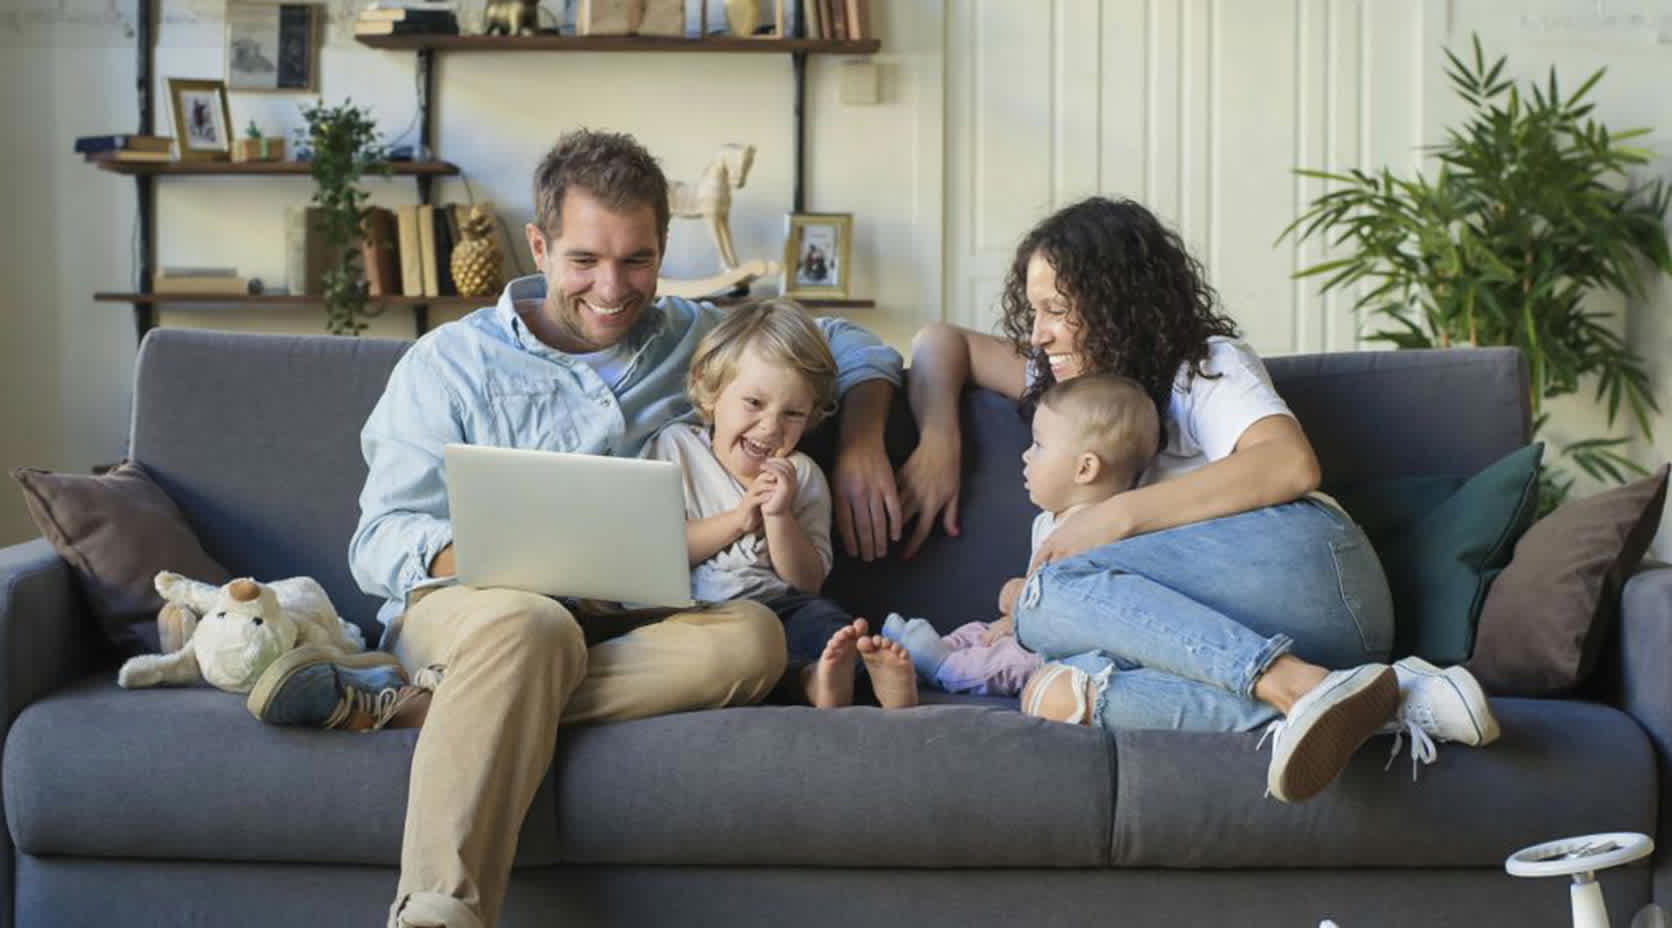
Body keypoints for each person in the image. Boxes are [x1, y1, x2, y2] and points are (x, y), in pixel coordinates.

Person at [242, 129, 907, 928]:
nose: (612, 288)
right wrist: (509, 560)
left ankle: (429, 707)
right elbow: (381, 542)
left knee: (755, 641)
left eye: (638, 260)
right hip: (479, 614)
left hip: (634, 626)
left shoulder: (695, 337)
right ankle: (436, 911)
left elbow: (850, 346)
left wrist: (866, 442)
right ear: (540, 244)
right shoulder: (448, 363)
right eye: (585, 260)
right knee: (532, 622)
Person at [897, 196, 1499, 803]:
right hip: (1283, 638)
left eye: (1056, 309)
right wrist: (937, 442)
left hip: (1317, 575)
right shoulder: (1067, 384)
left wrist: (1111, 520)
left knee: (1046, 593)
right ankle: (1387, 700)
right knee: (1054, 688)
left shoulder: (1202, 367)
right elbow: (941, 343)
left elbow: (1290, 464)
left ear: (1116, 306)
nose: (1038, 333)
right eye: (1034, 310)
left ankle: (1292, 685)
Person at [645, 298, 918, 710]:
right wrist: (739, 519)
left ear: (811, 417)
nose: (771, 427)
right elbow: (661, 552)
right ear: (709, 391)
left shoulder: (801, 474)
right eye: (753, 403)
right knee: (702, 645)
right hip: (695, 610)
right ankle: (810, 683)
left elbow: (806, 581)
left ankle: (843, 682)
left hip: (779, 605)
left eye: (792, 413)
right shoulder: (675, 448)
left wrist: (779, 516)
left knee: (827, 624)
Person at [882, 373, 1158, 697]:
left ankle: (946, 668)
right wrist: (1012, 617)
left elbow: (1068, 612)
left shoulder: (1098, 535)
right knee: (980, 631)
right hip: (1029, 628)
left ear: (1085, 469)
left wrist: (1017, 600)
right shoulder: (1048, 521)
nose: (1026, 455)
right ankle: (929, 651)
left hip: (1063, 651)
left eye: (1038, 445)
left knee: (1012, 660)